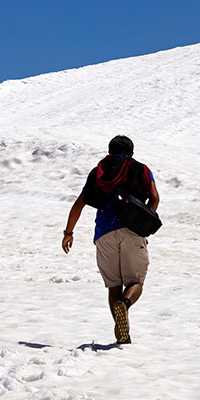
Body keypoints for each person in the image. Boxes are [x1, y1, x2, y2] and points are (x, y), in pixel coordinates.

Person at [61, 135, 159, 345]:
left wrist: (68, 233)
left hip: (104, 233)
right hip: (132, 230)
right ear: (132, 152)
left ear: (109, 151)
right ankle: (126, 303)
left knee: (114, 285)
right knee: (135, 282)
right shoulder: (142, 169)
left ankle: (122, 335)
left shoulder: (99, 171)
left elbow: (79, 204)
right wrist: (144, 223)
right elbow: (155, 198)